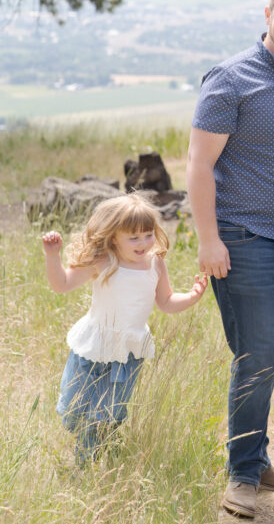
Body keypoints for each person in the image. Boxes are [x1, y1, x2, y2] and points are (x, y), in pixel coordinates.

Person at [187, 0, 274, 519]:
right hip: (243, 238)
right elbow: (199, 165)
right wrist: (207, 238)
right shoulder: (231, 78)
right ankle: (241, 476)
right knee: (257, 357)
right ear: (267, 13)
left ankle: (257, 458)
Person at [42, 194, 207, 463]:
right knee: (73, 412)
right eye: (133, 237)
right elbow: (61, 284)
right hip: (92, 347)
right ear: (113, 237)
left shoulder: (155, 264)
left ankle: (87, 465)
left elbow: (165, 301)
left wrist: (191, 296)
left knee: (105, 415)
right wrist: (53, 256)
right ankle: (87, 439)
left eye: (148, 234)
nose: (143, 243)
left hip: (128, 353)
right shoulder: (103, 261)